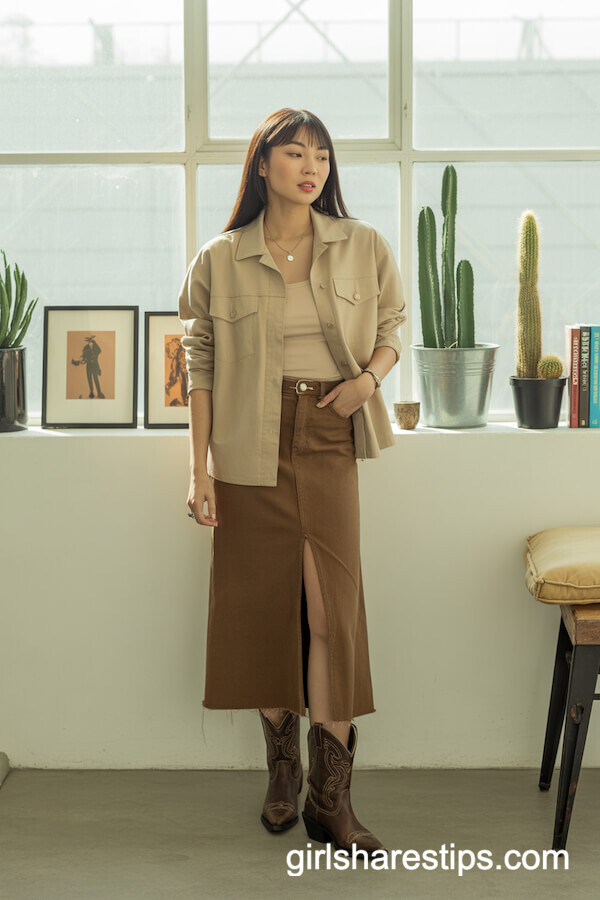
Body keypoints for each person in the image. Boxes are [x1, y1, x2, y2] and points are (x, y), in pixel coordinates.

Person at [178, 108, 406, 857]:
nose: (312, 168)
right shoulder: (221, 257)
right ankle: (282, 770)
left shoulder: (361, 243)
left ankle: (330, 801)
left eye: (322, 156)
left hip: (328, 434)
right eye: (296, 153)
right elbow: (200, 363)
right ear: (262, 165)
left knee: (331, 613)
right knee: (263, 608)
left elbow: (393, 325)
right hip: (249, 443)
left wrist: (368, 381)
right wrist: (199, 468)